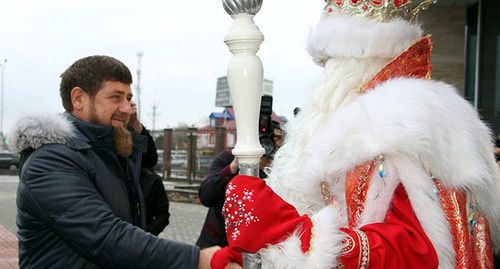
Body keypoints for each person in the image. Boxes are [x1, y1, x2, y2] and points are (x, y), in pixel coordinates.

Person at [214, 1, 500, 268]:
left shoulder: (400, 122)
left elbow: (419, 250)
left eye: (332, 63)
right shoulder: (367, 120)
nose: (323, 81)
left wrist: (301, 235)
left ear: (355, 61)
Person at [8, 55, 220, 268]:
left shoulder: (109, 153)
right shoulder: (50, 161)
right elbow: (104, 236)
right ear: (78, 99)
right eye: (116, 97)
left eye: (128, 98)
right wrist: (196, 260)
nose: (127, 108)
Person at [128, 101, 170, 236]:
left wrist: (145, 235)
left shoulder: (151, 181)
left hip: (142, 243)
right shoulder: (112, 174)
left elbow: (163, 216)